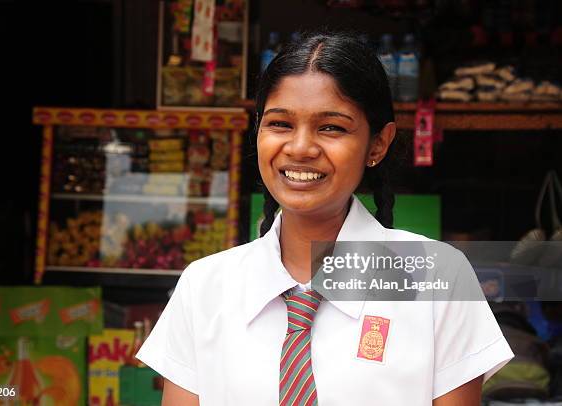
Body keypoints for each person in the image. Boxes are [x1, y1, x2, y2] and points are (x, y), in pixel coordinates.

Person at [136, 30, 514, 405]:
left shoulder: (439, 279)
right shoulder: (204, 287)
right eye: (280, 124)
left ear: (378, 144)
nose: (300, 148)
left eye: (331, 127)